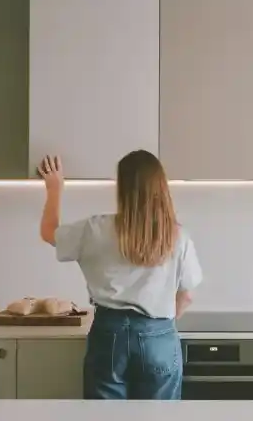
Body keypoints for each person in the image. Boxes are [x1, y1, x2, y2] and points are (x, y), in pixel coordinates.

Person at [36, 150, 203, 400]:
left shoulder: (95, 229)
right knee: (160, 417)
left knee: (106, 416)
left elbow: (49, 232)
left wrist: (55, 188)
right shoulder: (178, 236)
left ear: (122, 188)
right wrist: (161, 324)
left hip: (108, 335)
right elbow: (187, 295)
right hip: (158, 337)